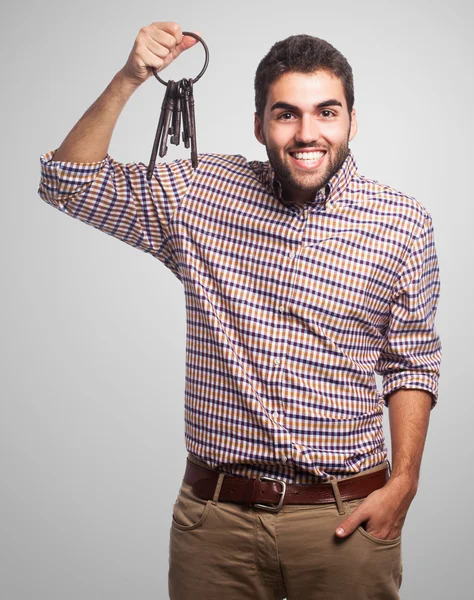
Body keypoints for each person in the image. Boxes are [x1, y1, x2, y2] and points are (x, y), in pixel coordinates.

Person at [37, 21, 442, 600]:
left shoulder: (402, 224)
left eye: (327, 112)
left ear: (353, 120)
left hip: (343, 519)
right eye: (286, 114)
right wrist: (129, 80)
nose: (308, 132)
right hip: (215, 524)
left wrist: (404, 483)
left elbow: (411, 364)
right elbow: (68, 183)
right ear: (259, 125)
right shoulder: (201, 192)